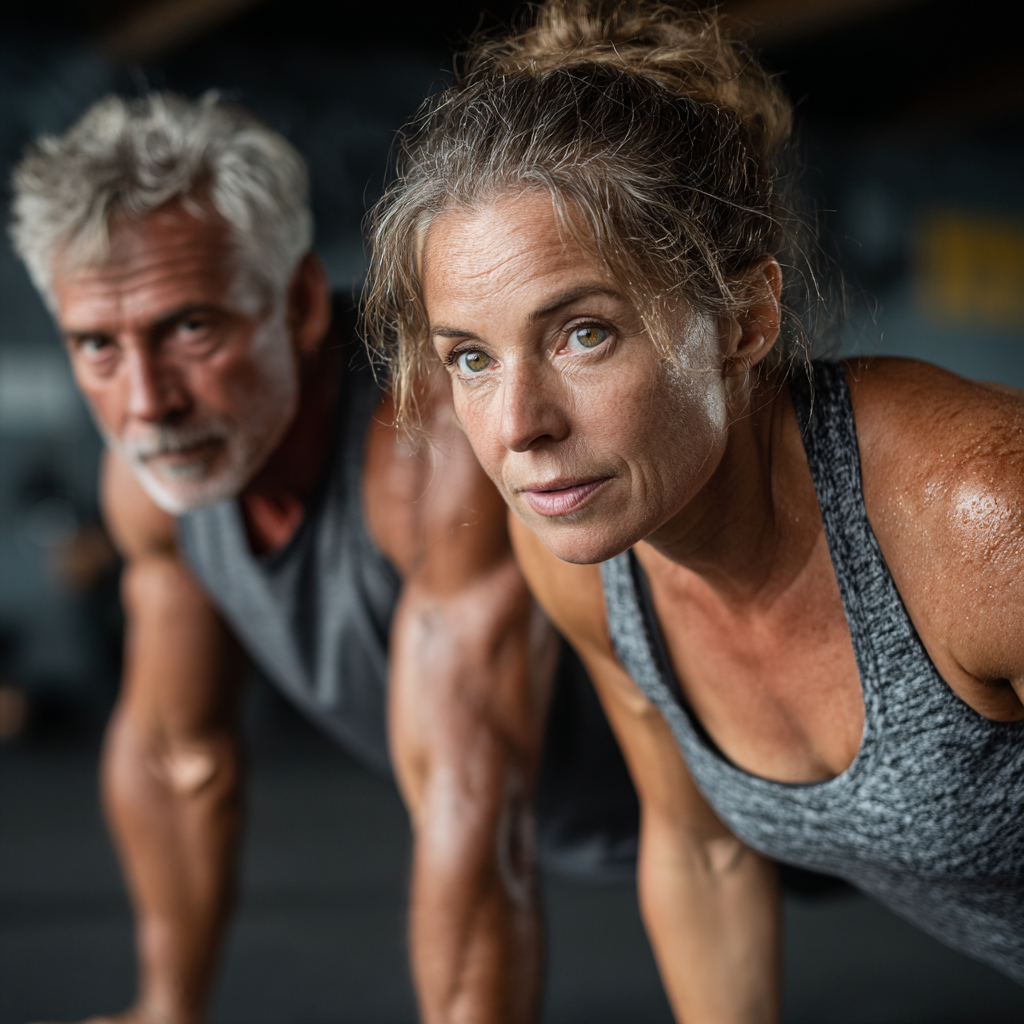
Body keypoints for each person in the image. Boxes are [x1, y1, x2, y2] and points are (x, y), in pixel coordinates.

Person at [364, 1, 1024, 1018]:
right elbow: (701, 849)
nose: (515, 426)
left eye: (583, 333)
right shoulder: (580, 556)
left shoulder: (985, 519)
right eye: (470, 356)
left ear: (744, 318)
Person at [9, 92, 638, 1024]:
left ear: (300, 302)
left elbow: (473, 800)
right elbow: (181, 757)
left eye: (191, 329)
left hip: (742, 806)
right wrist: (164, 1010)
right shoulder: (148, 482)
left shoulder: (423, 441)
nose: (147, 402)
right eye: (98, 345)